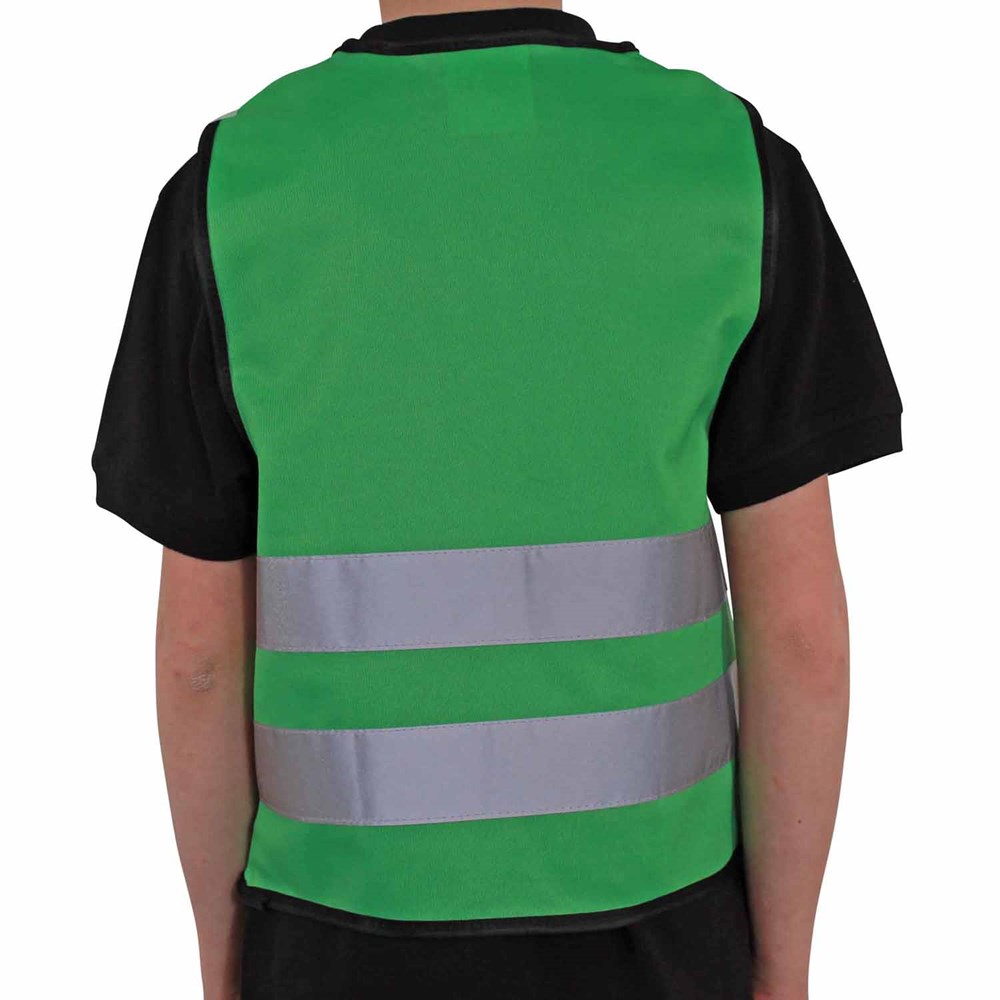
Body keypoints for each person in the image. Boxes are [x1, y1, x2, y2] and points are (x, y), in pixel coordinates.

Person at [92, 3, 903, 998]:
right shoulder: (728, 163)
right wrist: (781, 969)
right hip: (661, 931)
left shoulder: (237, 183)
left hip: (336, 933)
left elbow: (198, 662)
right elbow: (803, 636)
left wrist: (225, 971)